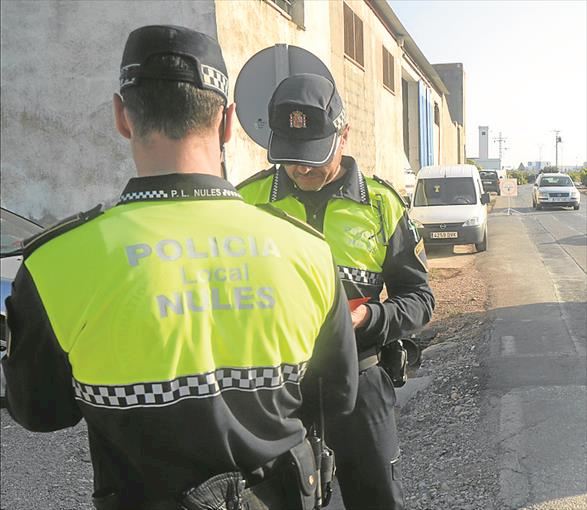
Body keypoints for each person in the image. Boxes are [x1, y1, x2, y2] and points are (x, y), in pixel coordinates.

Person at [2, 27, 359, 510]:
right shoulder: (306, 251)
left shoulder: (55, 263)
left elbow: (41, 412)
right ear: (228, 122)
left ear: (122, 116)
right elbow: (337, 397)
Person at [237, 73, 435, 510]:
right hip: (273, 389)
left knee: (377, 499)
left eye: (313, 154)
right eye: (290, 157)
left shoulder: (381, 205)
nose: (301, 168)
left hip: (361, 380)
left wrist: (368, 318)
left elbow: (420, 299)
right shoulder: (245, 202)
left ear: (343, 135)